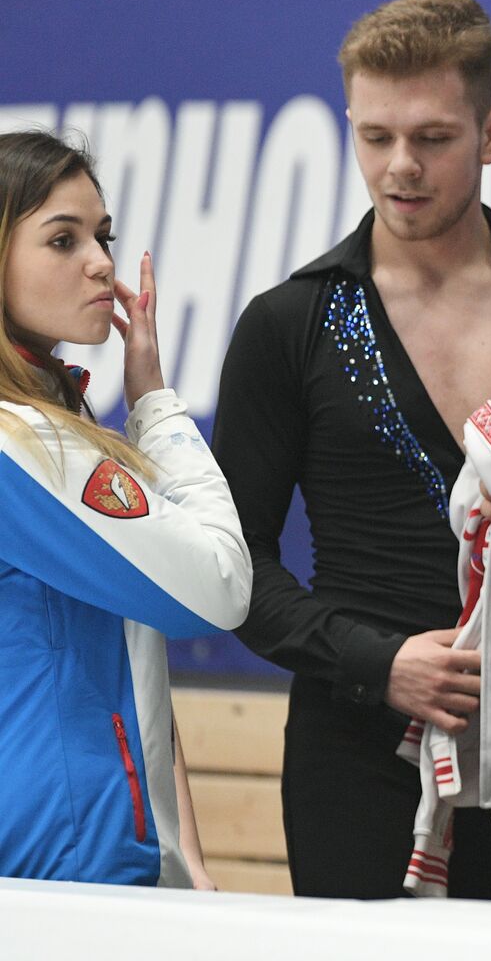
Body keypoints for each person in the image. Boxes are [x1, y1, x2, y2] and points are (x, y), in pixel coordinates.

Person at [213, 0, 491, 901]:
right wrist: (379, 666)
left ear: (490, 133)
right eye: (375, 137)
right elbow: (232, 570)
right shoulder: (288, 325)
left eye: (433, 138)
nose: (400, 167)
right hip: (356, 753)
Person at [0, 130, 251, 887]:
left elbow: (125, 660)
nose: (102, 263)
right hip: (62, 854)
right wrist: (157, 403)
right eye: (62, 239)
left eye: (103, 236)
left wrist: (184, 856)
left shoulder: (48, 423)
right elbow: (217, 586)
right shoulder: (25, 445)